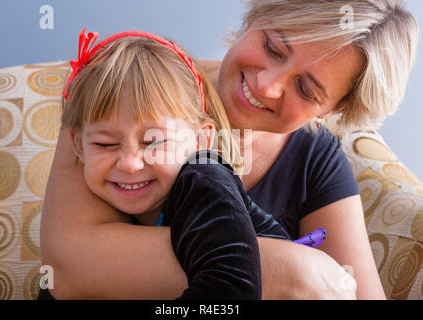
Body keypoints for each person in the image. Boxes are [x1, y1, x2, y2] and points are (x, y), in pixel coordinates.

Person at [40, 0, 418, 299]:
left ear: (332, 109)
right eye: (272, 47)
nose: (268, 85)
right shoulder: (132, 84)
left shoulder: (315, 159)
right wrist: (288, 270)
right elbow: (70, 267)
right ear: (253, 17)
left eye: (306, 90)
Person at [39, 30, 293, 300]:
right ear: (77, 146)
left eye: (154, 142)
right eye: (105, 144)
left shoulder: (206, 182)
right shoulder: (90, 203)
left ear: (201, 140)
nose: (129, 163)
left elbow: (230, 291)